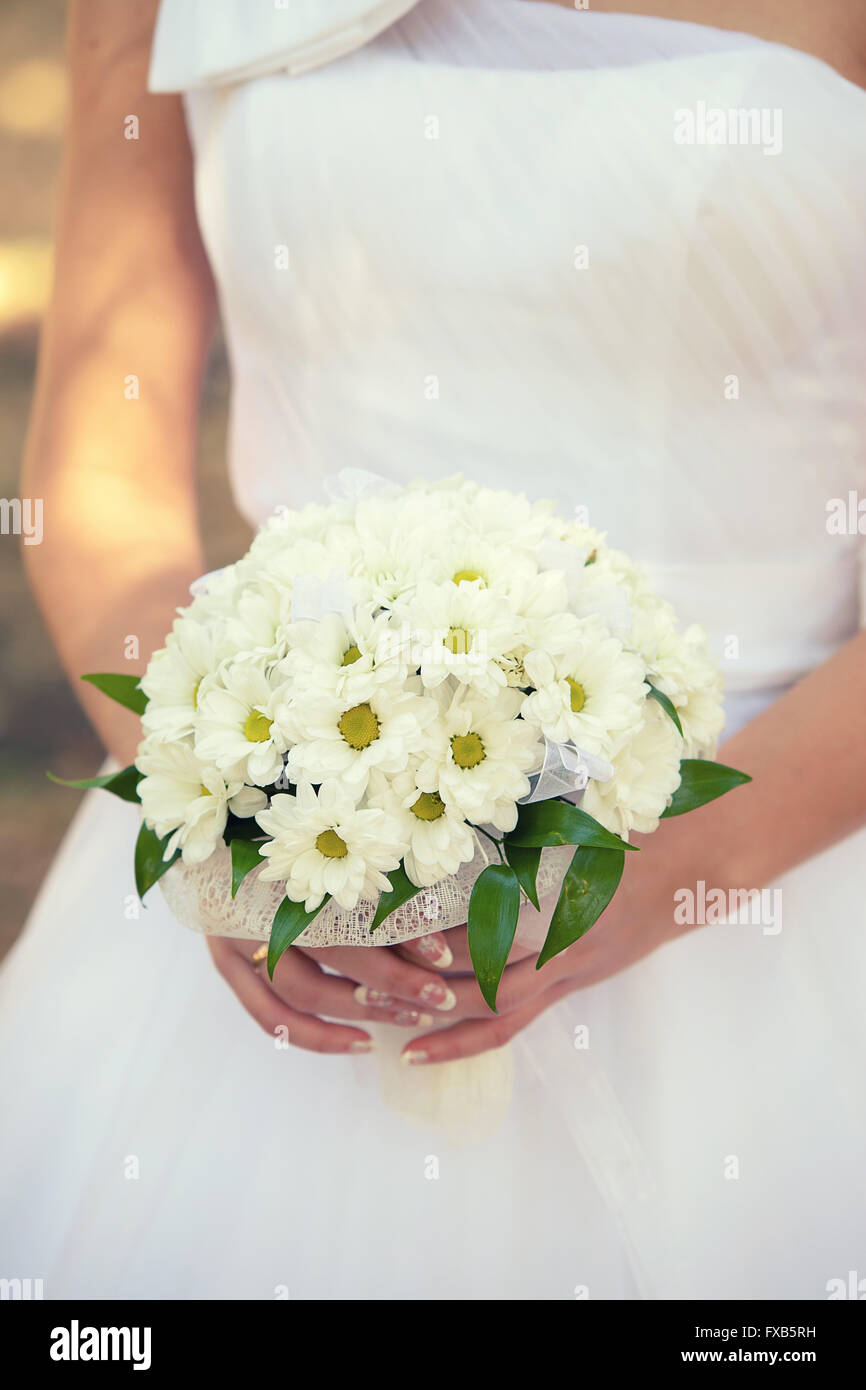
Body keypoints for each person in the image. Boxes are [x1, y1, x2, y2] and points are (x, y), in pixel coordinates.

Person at [3, 0, 865, 1299]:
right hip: (285, 879)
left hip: (777, 872)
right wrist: (209, 807)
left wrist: (678, 866)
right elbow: (98, 464)